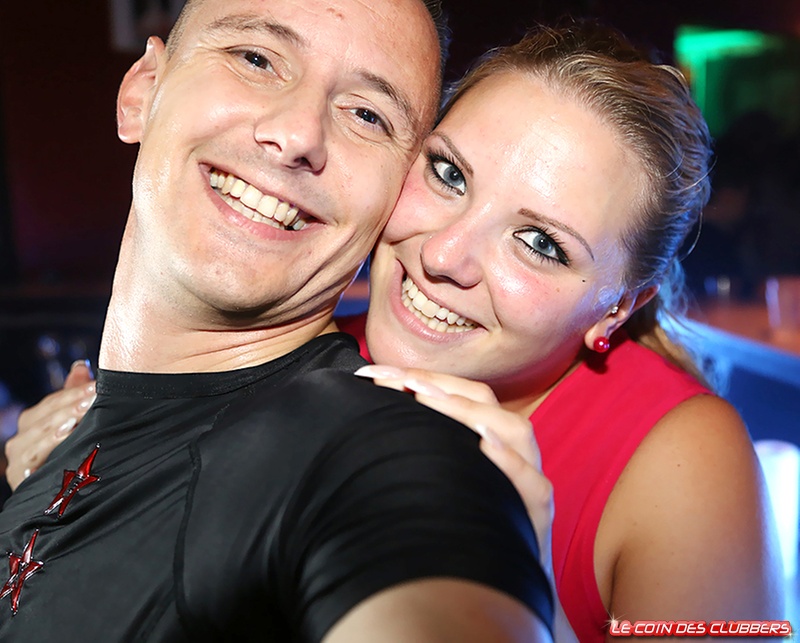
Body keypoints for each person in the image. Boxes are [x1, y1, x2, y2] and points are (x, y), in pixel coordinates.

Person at [8, 18, 784, 640]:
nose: (444, 256)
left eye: (540, 243)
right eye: (449, 174)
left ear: (617, 307)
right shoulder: (307, 343)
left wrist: (526, 590)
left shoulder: (684, 455)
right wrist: (79, 470)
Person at [0, 0, 554, 640]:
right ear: (142, 92)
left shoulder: (371, 450)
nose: (298, 135)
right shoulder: (75, 436)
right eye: (257, 59)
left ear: (396, 193)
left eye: (367, 115)